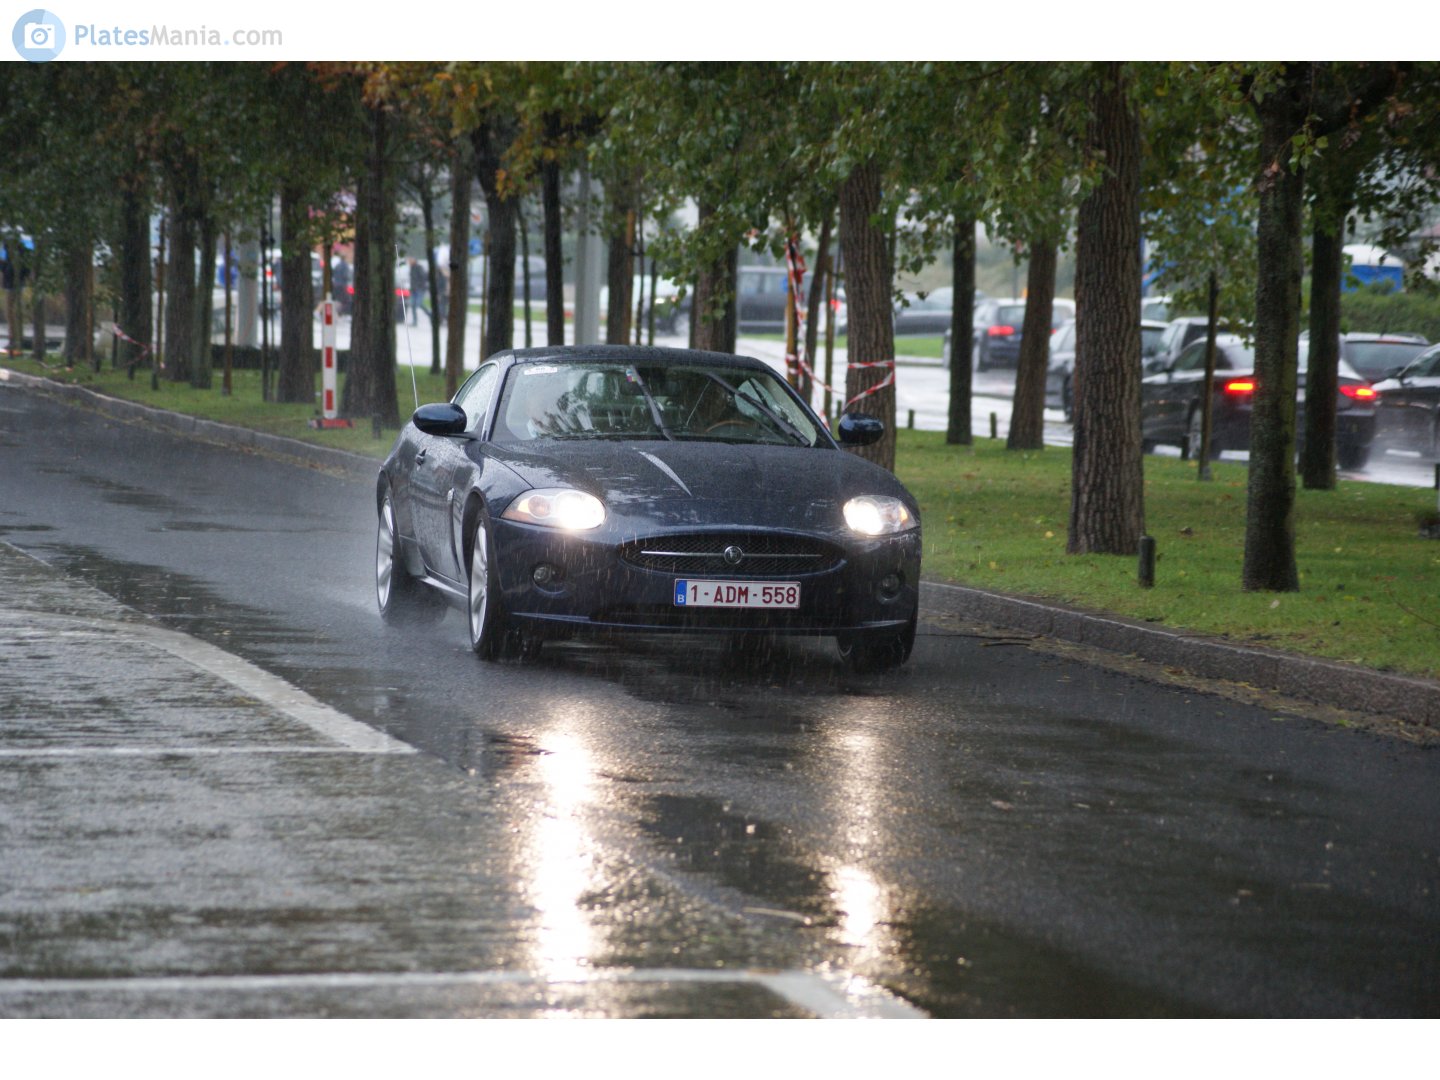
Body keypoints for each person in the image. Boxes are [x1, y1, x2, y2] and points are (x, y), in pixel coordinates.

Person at [407, 257, 428, 325]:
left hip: (420, 289)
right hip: (413, 289)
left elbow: (423, 277)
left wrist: (419, 285)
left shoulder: (419, 267)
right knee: (413, 305)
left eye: (410, 260)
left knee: (419, 303)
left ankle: (431, 315)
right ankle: (414, 321)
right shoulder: (411, 268)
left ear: (414, 260)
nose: (409, 262)